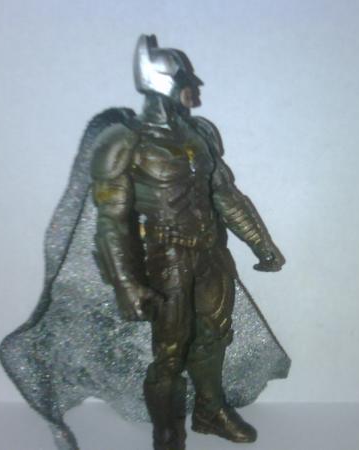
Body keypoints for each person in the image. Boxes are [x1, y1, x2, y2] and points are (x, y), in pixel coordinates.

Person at [90, 34, 285, 450]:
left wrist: (260, 243)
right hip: (166, 258)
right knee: (170, 351)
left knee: (214, 334)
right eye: (185, 80)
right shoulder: (124, 142)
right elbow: (111, 220)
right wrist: (126, 284)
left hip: (212, 254)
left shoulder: (201, 133)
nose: (194, 88)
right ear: (163, 83)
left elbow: (225, 195)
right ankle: (166, 431)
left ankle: (210, 411)